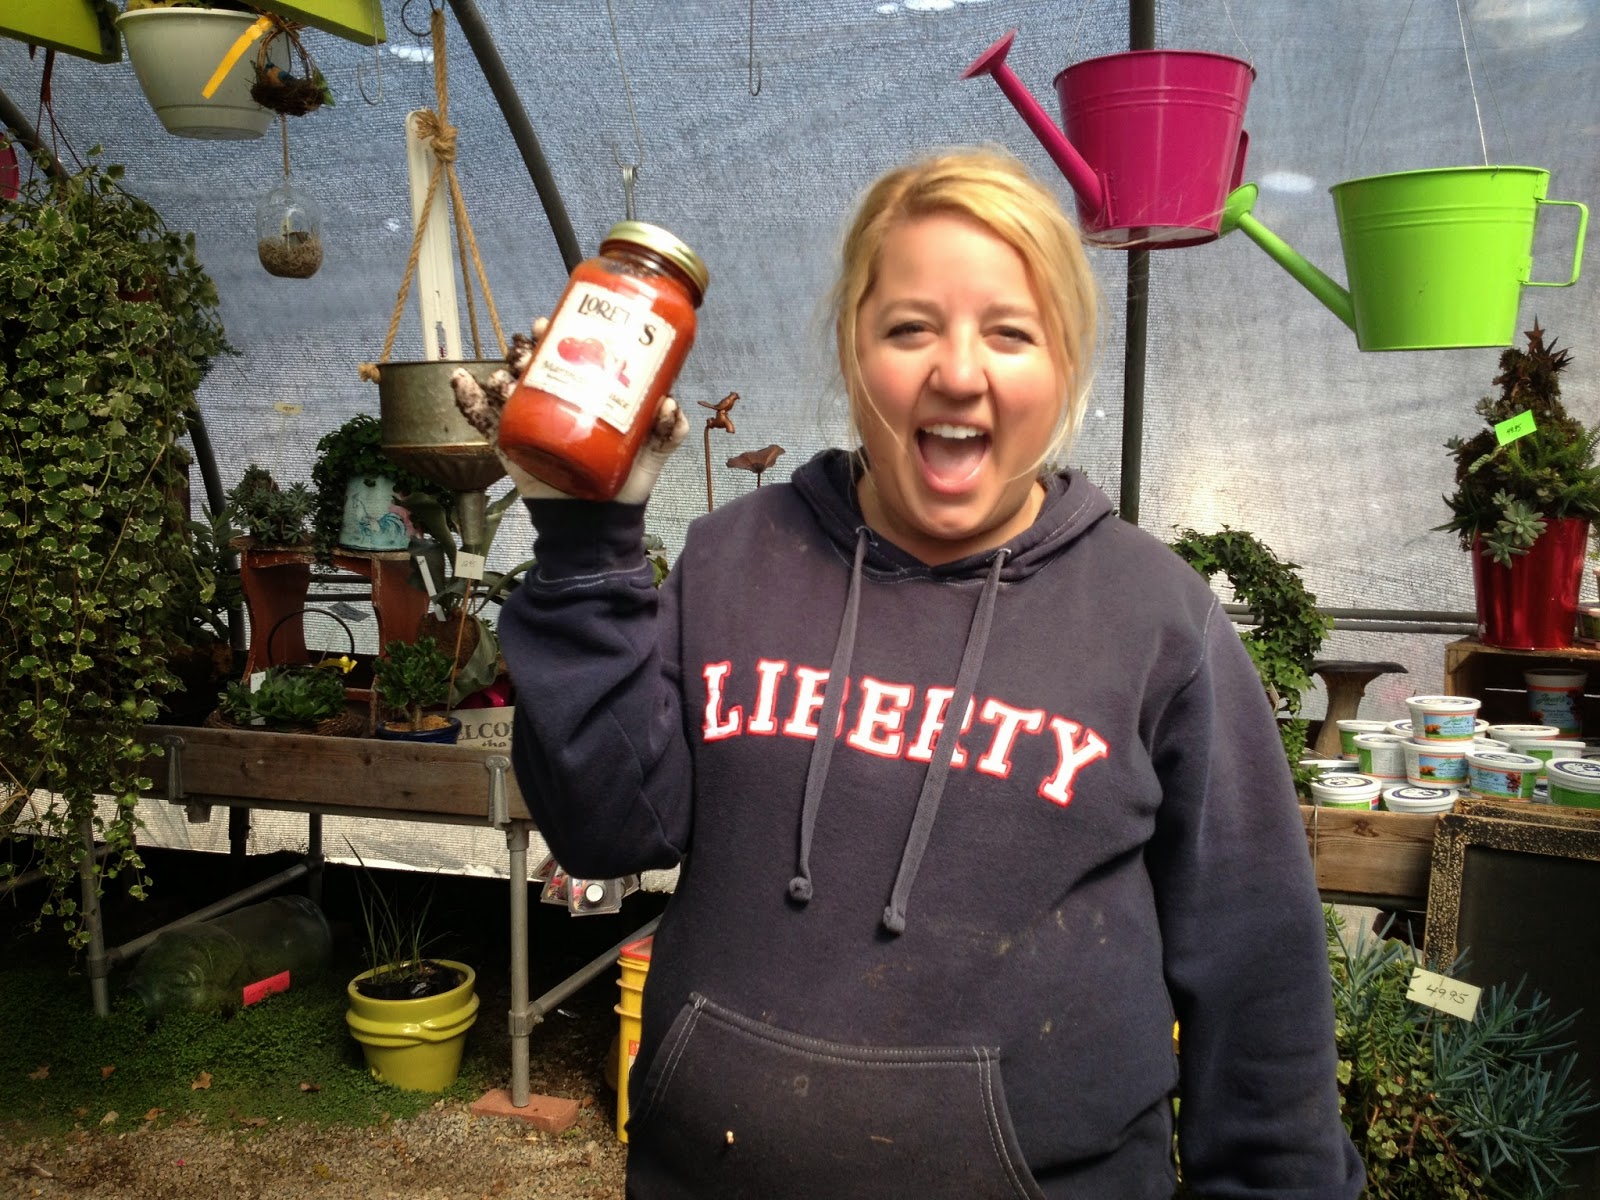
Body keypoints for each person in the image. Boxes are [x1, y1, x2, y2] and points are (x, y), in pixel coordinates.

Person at [457, 147, 1364, 1198]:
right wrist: (583, 544)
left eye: (1010, 333)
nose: (959, 373)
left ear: (1066, 366)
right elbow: (606, 831)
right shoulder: (736, 558)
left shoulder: (1155, 617)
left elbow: (1257, 973)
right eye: (909, 328)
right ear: (853, 351)